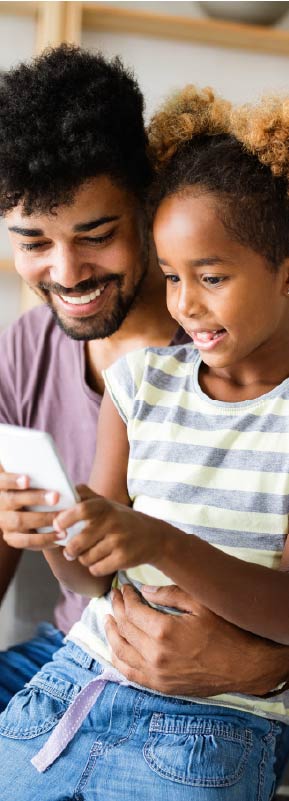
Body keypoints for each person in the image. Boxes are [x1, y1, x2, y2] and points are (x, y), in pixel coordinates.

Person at [0, 47, 289, 783]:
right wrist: (29, 522)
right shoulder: (38, 350)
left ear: (143, 206)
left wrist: (265, 668)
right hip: (79, 658)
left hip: (221, 704)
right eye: (33, 241)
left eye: (95, 235)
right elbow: (75, 571)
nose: (65, 274)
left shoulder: (239, 340)